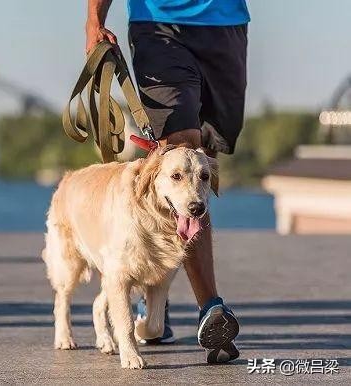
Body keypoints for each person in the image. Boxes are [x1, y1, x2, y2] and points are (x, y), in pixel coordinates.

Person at [85, 0, 249, 364]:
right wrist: (95, 18)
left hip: (226, 23)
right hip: (159, 26)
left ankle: (156, 285)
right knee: (182, 154)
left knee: (204, 161)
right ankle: (210, 306)